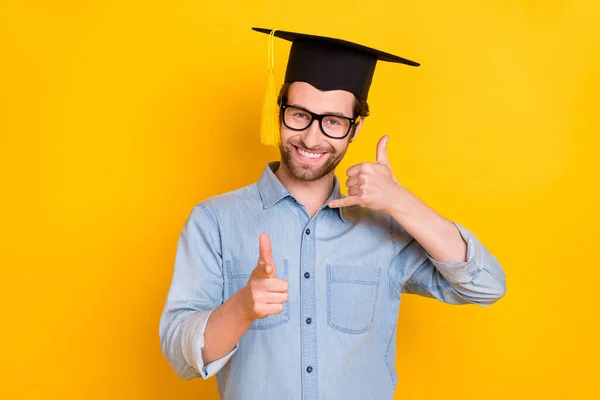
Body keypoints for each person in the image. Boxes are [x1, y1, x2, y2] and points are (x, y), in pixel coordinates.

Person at [159, 27, 507, 400]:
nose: (310, 138)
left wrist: (400, 202)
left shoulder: (386, 229)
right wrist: (242, 308)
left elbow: (486, 285)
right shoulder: (214, 221)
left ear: (355, 128)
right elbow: (180, 357)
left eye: (333, 122)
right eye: (299, 115)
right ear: (279, 112)